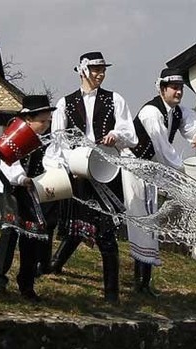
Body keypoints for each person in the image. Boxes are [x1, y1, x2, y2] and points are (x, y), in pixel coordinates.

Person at [43, 51, 137, 302]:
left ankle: (111, 293)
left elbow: (130, 133)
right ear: (83, 70)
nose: (101, 74)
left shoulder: (115, 99)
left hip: (107, 172)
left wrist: (116, 136)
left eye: (103, 69)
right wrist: (73, 163)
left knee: (106, 232)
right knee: (77, 225)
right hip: (79, 173)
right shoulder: (65, 103)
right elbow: (58, 139)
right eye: (96, 69)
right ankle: (55, 264)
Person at [124, 68, 196, 296]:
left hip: (151, 170)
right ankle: (140, 283)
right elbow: (163, 149)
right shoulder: (150, 113)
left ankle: (144, 283)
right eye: (174, 88)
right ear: (162, 89)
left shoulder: (177, 112)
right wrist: (182, 175)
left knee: (150, 223)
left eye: (181, 88)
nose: (178, 92)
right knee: (142, 222)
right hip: (134, 167)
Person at [0, 95, 56, 302]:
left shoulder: (48, 140)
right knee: (10, 233)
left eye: (48, 121)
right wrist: (21, 178)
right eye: (42, 121)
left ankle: (27, 285)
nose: (45, 125)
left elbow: (54, 160)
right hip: (12, 191)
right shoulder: (13, 135)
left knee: (31, 237)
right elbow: (8, 163)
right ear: (28, 118)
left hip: (33, 192)